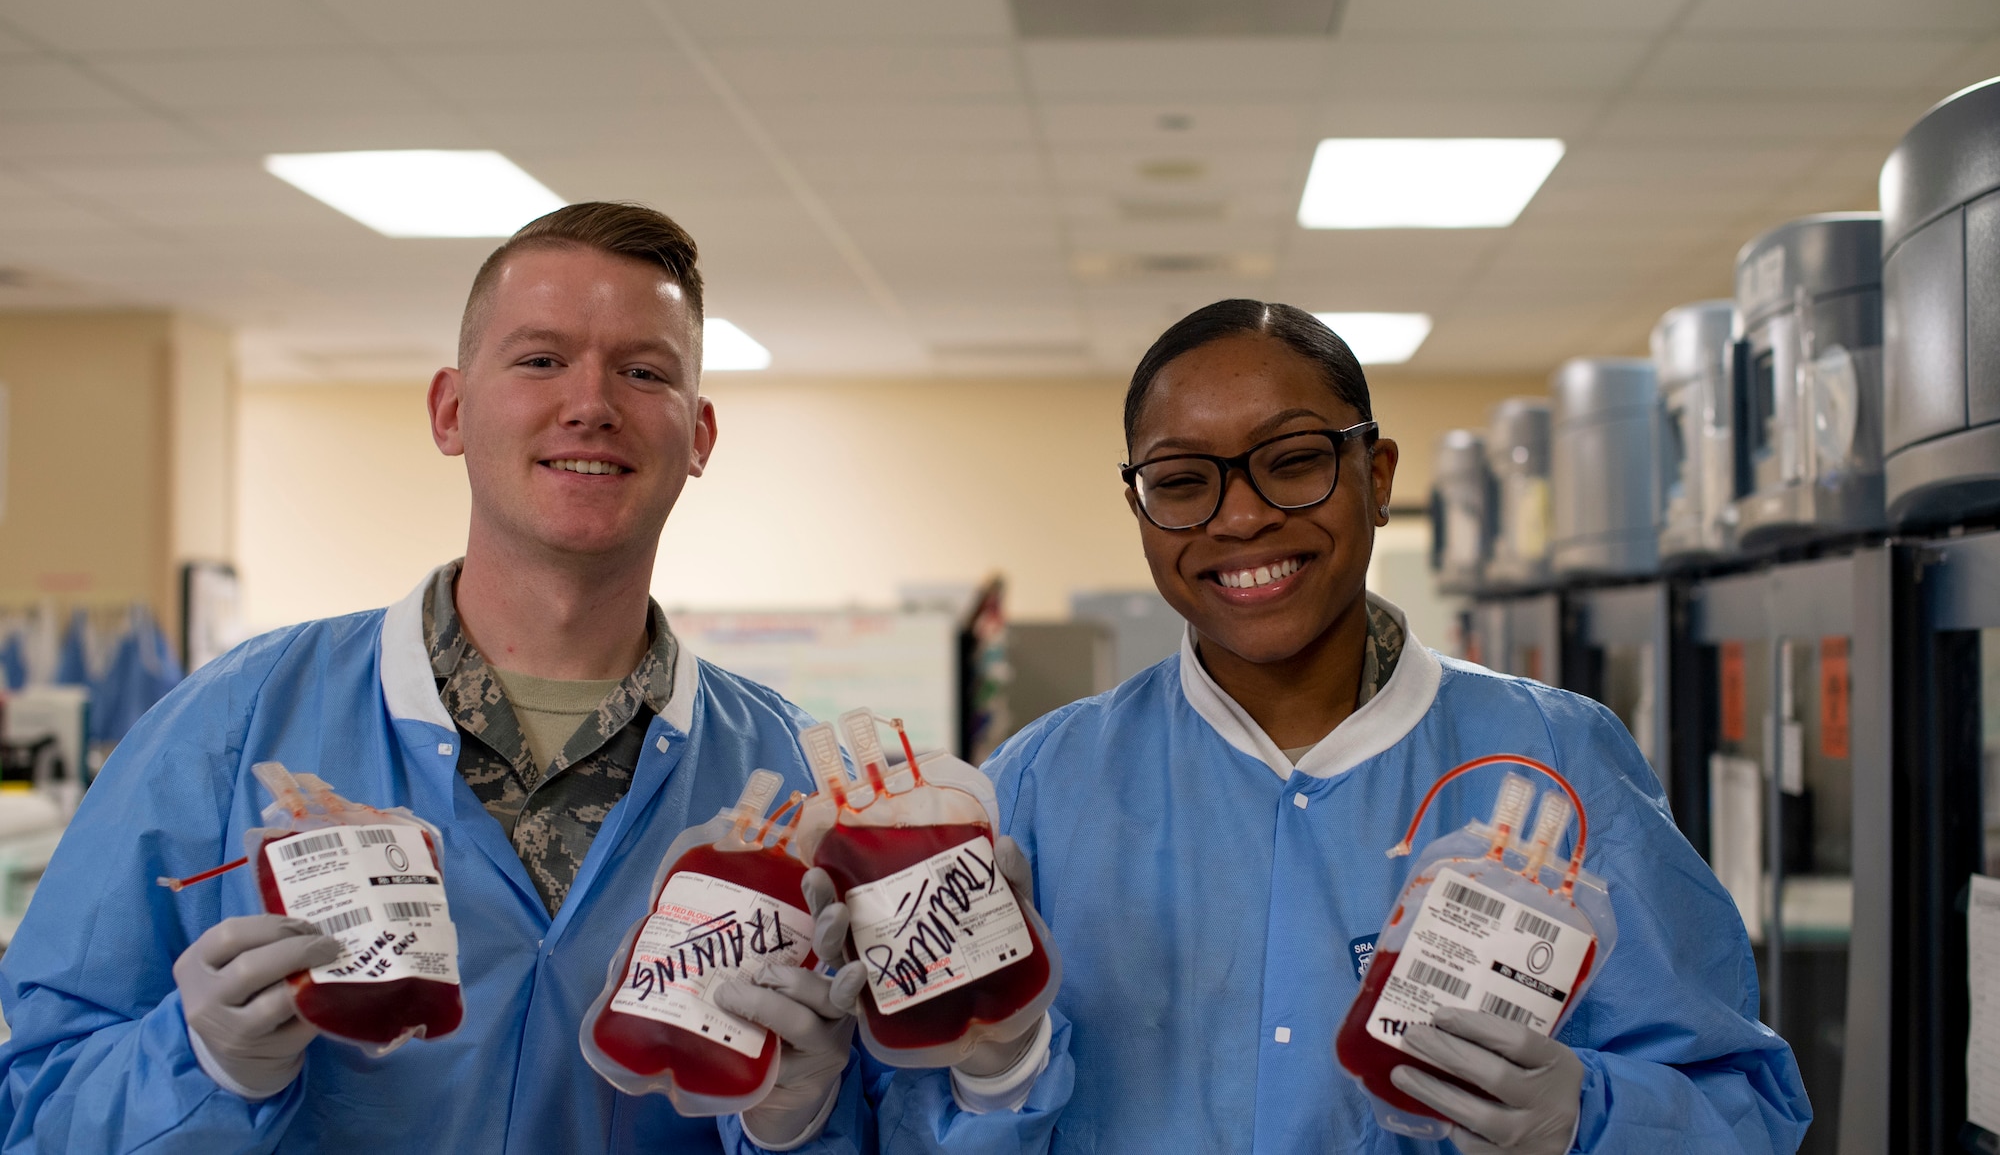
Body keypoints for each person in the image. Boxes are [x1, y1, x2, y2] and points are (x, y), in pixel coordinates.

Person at [838, 301, 1811, 1153]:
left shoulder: (1553, 757)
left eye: (1292, 460)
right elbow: (896, 1114)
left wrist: (1582, 1118)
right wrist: (995, 1073)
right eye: (1182, 481)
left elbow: (1735, 1104)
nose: (1242, 516)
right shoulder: (1044, 782)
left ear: (1376, 475)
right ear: (1140, 508)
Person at [0, 203, 867, 1153]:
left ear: (698, 435)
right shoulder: (233, 725)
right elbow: (40, 1101)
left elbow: (888, 1111)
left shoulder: (792, 785)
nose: (591, 402)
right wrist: (201, 1064)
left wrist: (797, 1119)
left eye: (643, 370)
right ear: (450, 410)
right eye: (540, 360)